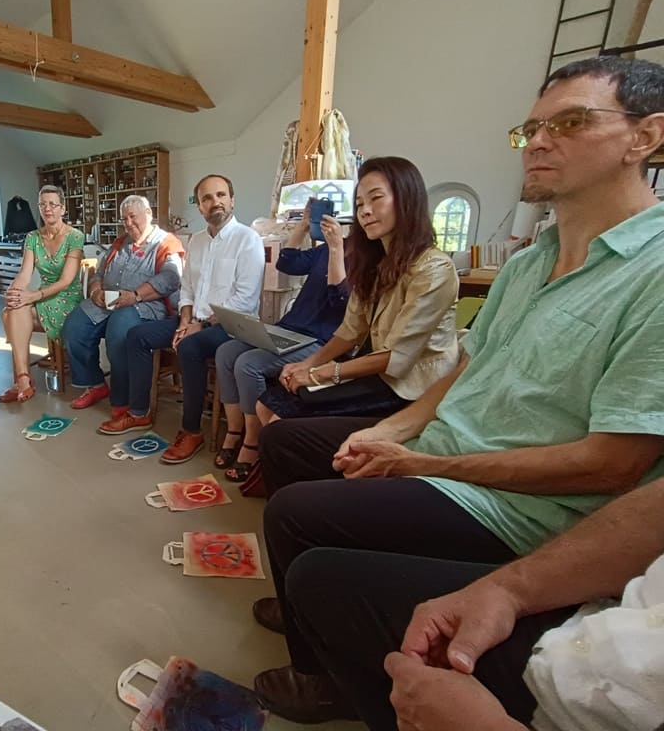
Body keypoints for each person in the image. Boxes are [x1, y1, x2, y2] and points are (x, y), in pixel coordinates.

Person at [252, 55, 664, 724]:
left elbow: (613, 467)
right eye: (529, 129)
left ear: (644, 137)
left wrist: (420, 461)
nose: (537, 142)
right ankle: (311, 620)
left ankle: (323, 674)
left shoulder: (653, 270)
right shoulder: (529, 263)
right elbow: (465, 370)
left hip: (516, 504)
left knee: (296, 520)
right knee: (288, 443)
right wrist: (391, 431)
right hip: (444, 443)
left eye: (570, 122)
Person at [282, 475, 664, 731]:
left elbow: (607, 464)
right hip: (598, 624)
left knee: (295, 514)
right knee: (322, 581)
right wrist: (507, 589)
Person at [254, 156, 459, 431]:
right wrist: (308, 363)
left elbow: (397, 357)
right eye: (360, 204)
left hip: (410, 384)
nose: (365, 211)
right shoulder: (374, 262)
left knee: (282, 424)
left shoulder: (434, 268)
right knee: (266, 404)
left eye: (376, 198)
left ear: (407, 200)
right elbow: (351, 329)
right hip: (374, 367)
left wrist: (320, 373)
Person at [97, 175, 265, 465]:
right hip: (195, 320)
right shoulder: (196, 241)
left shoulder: (247, 239)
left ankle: (191, 431)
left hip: (232, 326)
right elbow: (187, 289)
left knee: (189, 346)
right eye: (207, 198)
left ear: (232, 200)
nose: (215, 202)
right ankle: (139, 412)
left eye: (221, 195)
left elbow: (244, 301)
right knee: (137, 335)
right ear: (199, 206)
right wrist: (186, 320)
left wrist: (198, 327)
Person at [214, 206, 349, 482]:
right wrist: (303, 225)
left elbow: (340, 301)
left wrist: (337, 249)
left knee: (248, 364)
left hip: (321, 340)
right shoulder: (324, 250)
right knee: (226, 352)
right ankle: (234, 430)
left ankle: (253, 442)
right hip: (289, 329)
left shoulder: (362, 260)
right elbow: (286, 263)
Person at [62, 195, 184, 413]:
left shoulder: (167, 243)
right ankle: (96, 384)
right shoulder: (120, 242)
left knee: (119, 330)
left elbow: (171, 278)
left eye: (132, 217)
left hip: (145, 305)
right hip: (108, 302)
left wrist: (136, 295)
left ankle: (123, 398)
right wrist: (96, 291)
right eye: (124, 219)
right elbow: (99, 273)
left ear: (149, 214)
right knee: (74, 325)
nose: (128, 223)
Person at [0, 185, 84, 403]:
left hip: (68, 298)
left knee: (10, 314)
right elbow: (24, 273)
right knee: (13, 308)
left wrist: (32, 296)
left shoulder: (75, 236)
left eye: (53, 204)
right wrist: (15, 292)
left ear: (63, 209)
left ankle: (21, 380)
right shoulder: (32, 237)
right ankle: (23, 379)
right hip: (43, 296)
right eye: (43, 204)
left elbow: (66, 281)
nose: (47, 209)